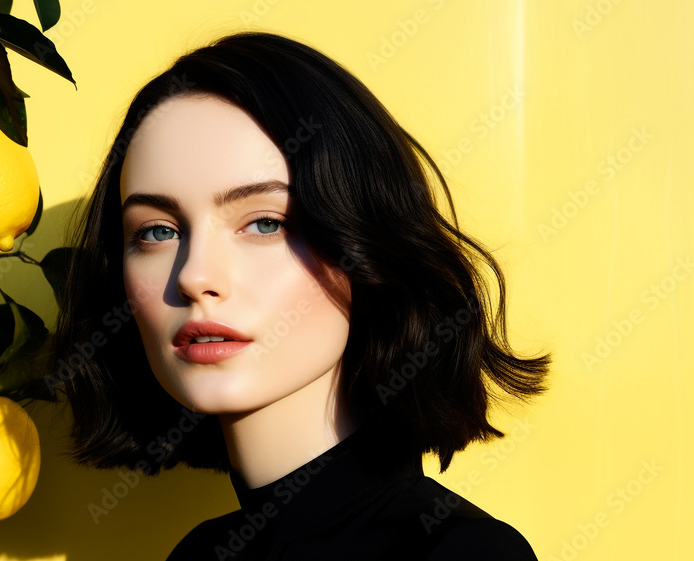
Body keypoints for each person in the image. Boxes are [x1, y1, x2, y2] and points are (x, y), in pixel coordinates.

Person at [51, 31, 549, 560]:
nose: (194, 276)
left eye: (265, 222)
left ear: (363, 242)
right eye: (157, 231)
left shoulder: (459, 554)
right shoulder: (196, 554)